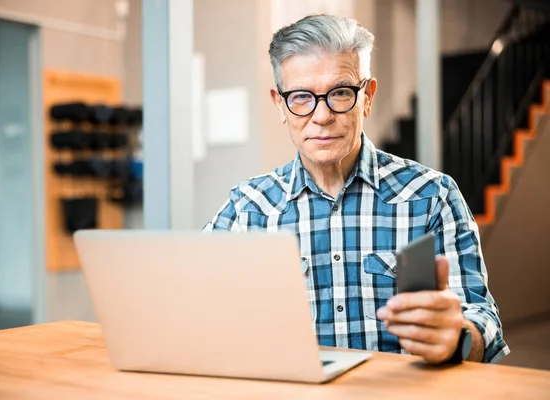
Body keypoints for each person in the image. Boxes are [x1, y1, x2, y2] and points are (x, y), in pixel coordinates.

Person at [203, 15, 509, 364]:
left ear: (367, 97)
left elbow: (484, 323)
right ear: (279, 104)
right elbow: (195, 308)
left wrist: (457, 337)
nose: (321, 116)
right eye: (301, 97)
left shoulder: (432, 197)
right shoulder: (247, 210)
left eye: (341, 93)